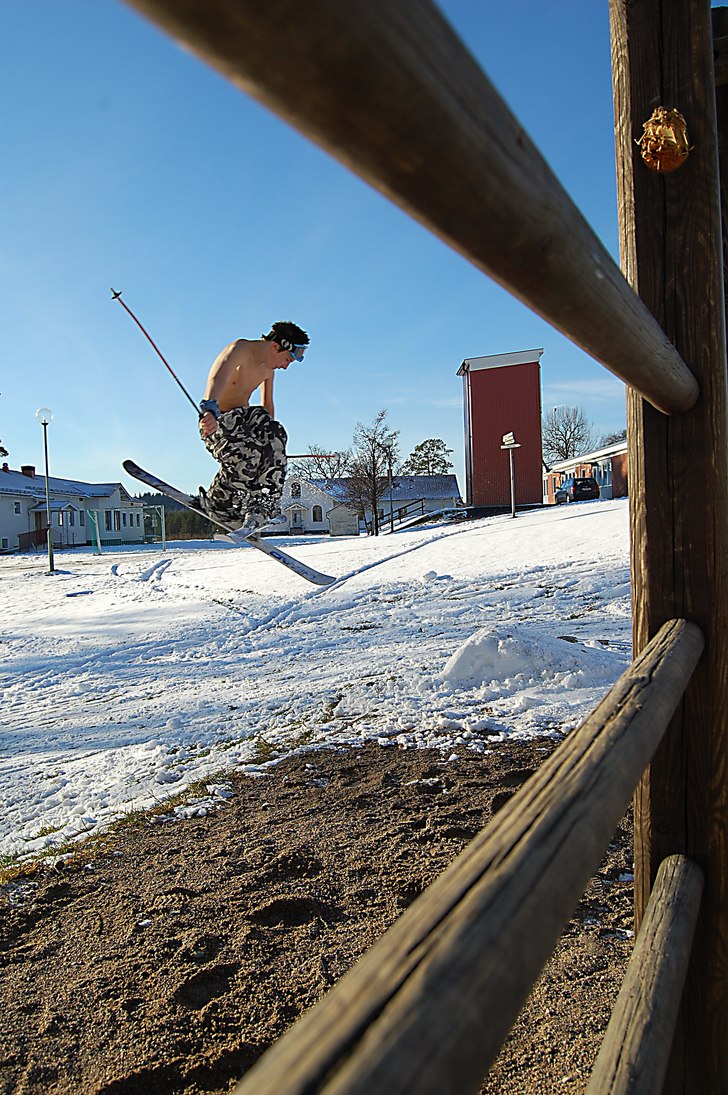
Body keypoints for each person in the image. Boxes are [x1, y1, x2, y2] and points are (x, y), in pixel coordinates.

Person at [194, 321, 309, 532]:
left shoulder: (268, 370)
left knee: (275, 432)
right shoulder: (241, 349)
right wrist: (209, 409)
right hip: (218, 419)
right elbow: (218, 376)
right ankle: (219, 501)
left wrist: (274, 450)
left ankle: (262, 505)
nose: (284, 366)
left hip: (245, 419)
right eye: (286, 359)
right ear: (276, 346)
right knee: (250, 456)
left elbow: (268, 407)